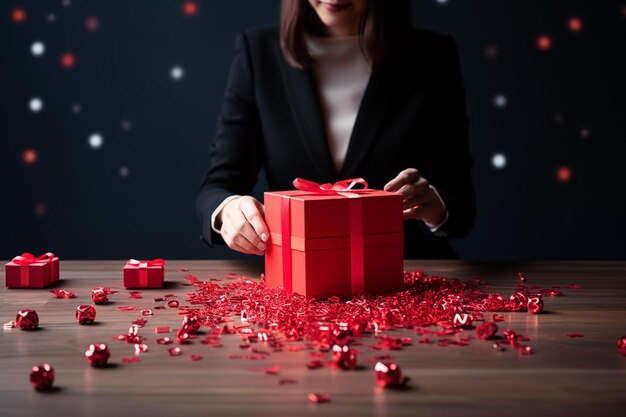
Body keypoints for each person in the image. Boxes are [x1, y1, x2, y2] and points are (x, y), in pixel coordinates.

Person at [196, 0, 475, 259]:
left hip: (409, 276)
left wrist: (434, 206)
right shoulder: (258, 51)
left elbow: (461, 205)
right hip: (294, 281)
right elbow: (219, 184)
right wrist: (227, 210)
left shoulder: (433, 55)